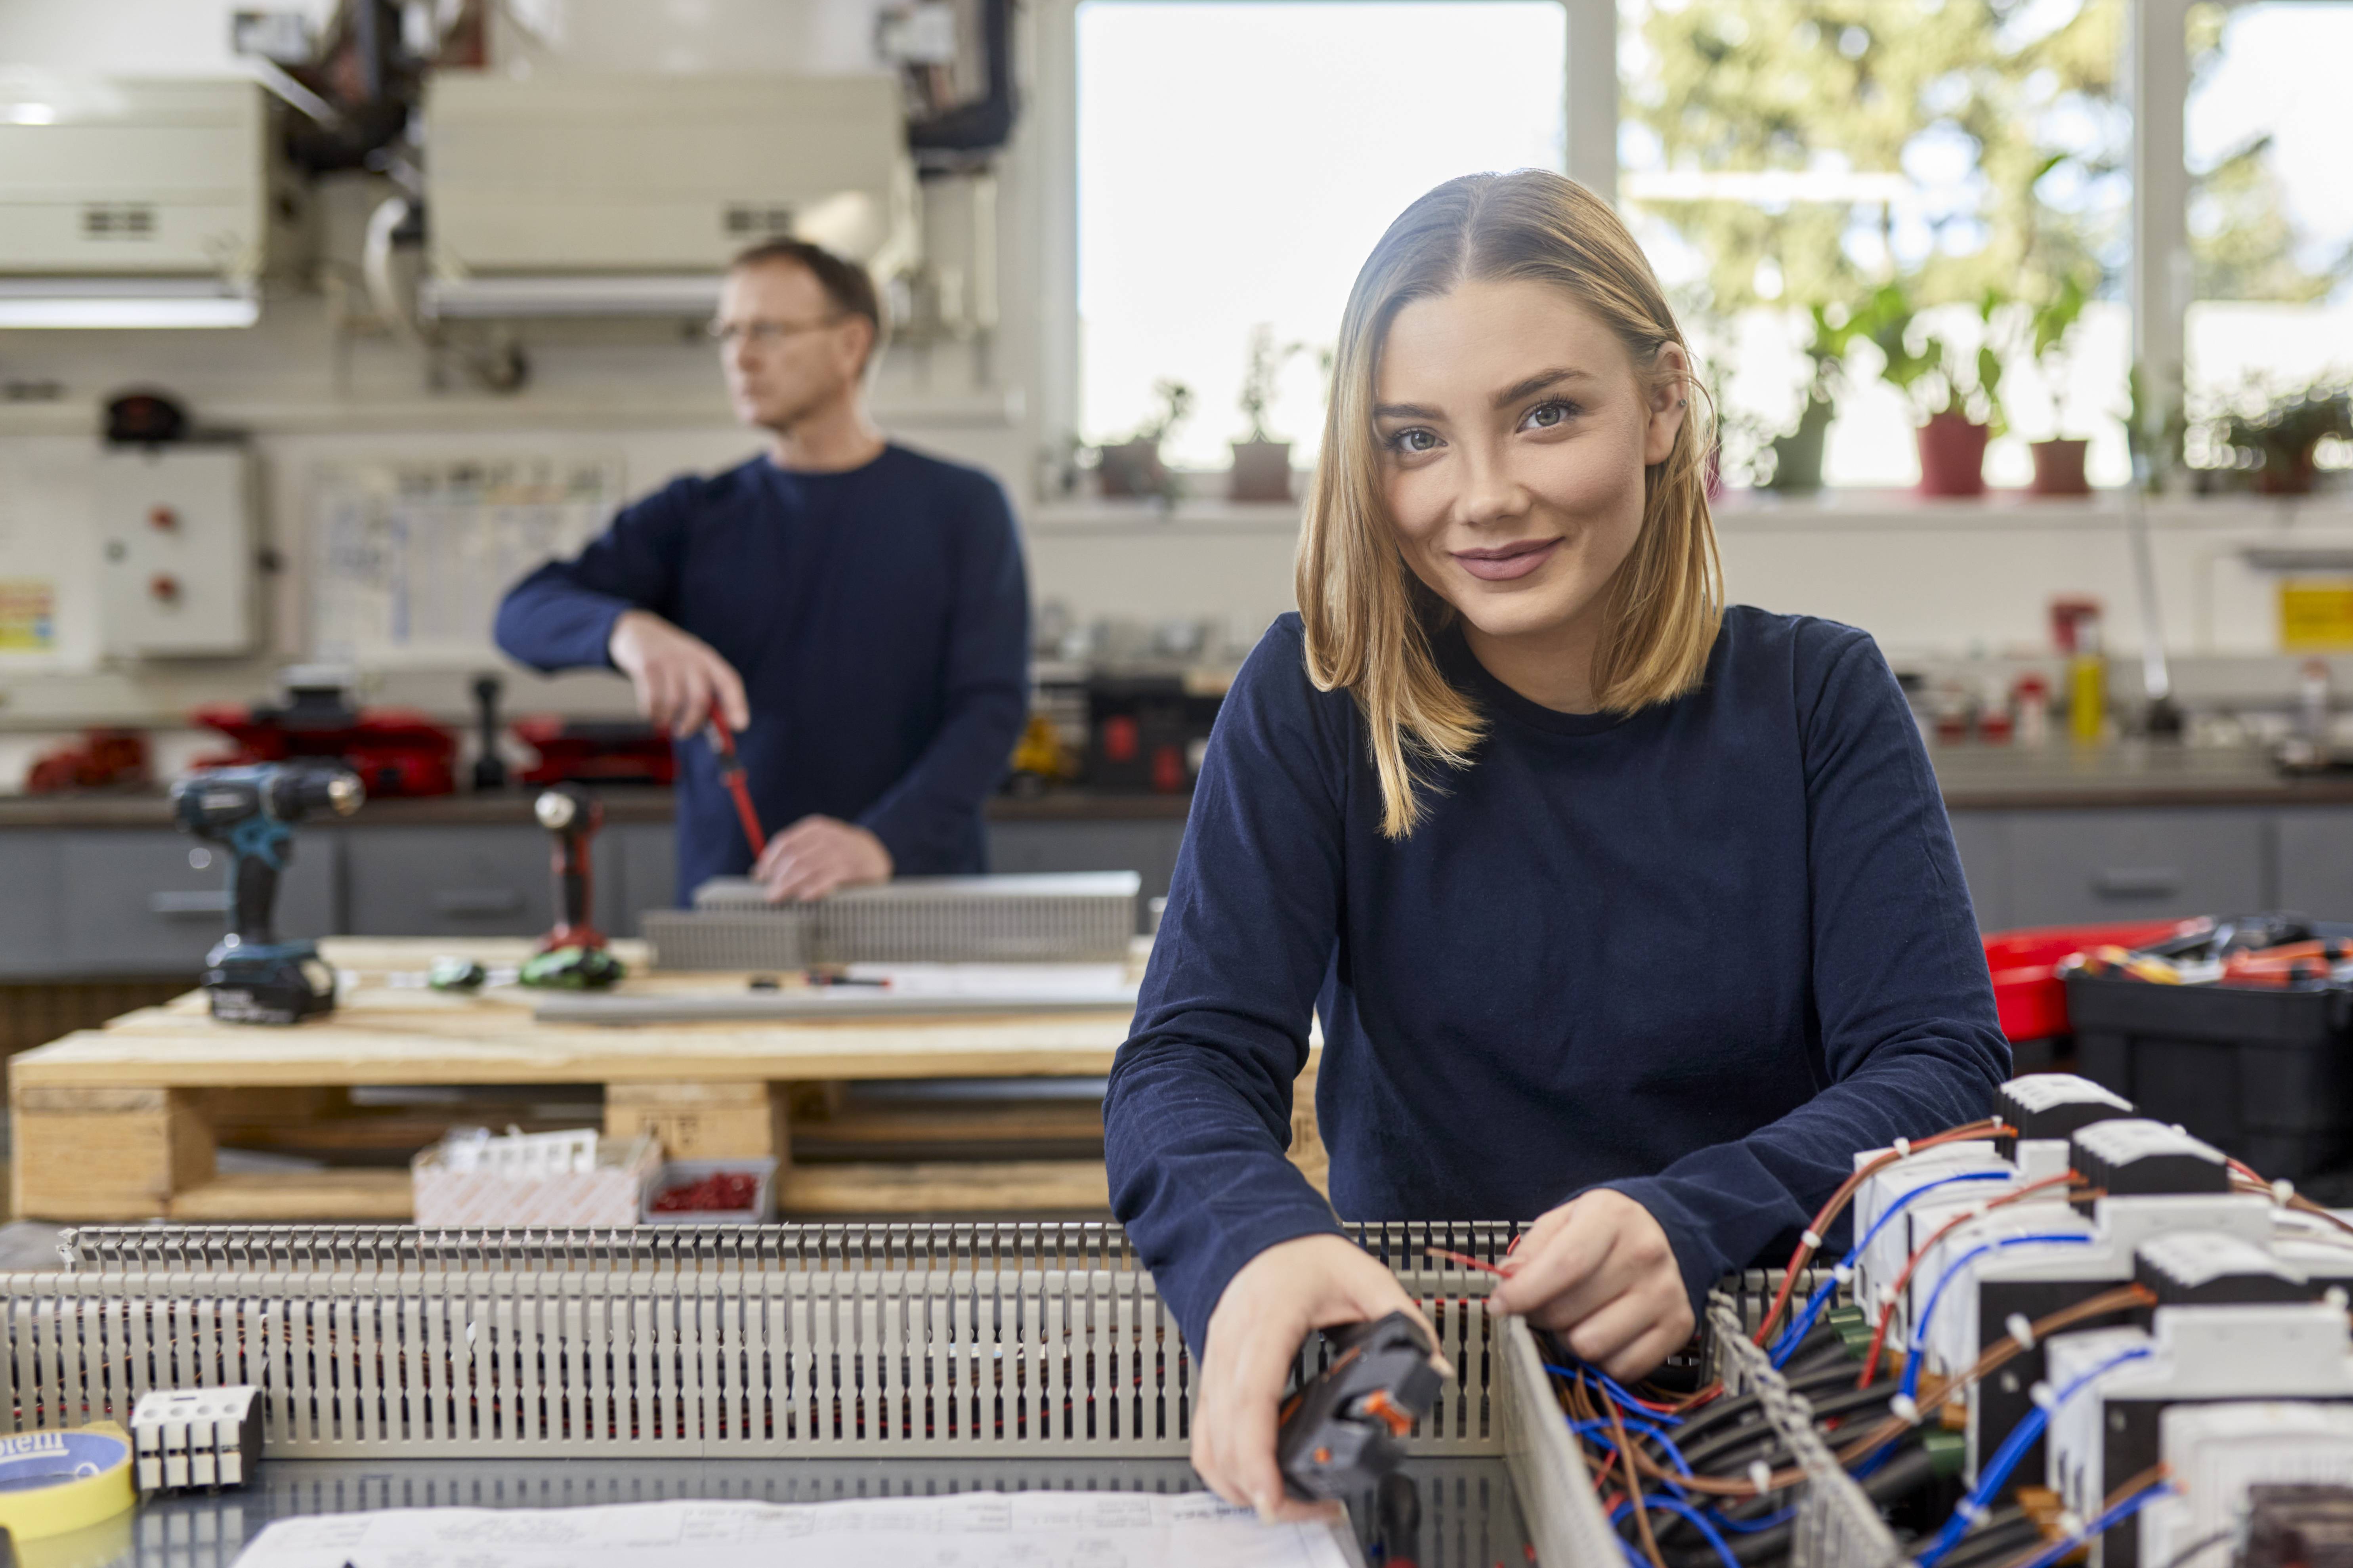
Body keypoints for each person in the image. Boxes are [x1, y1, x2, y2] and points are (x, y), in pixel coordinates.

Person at [1102, 170, 2007, 1519]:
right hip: (1429, 1406)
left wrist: (1691, 1219)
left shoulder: (1817, 698)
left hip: (1781, 1399)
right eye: (1413, 439)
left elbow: (1940, 1070)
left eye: (1544, 416)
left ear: (1660, 405)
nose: (1480, 498)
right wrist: (1256, 1245)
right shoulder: (1317, 695)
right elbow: (1185, 1063)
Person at [495, 240, 1029, 904]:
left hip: (913, 893)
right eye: (728, 332)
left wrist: (879, 841)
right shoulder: (695, 513)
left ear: (850, 345)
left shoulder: (963, 507)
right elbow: (522, 612)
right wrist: (628, 631)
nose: (740, 357)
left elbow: (992, 711)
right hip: (739, 897)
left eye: (768, 331)